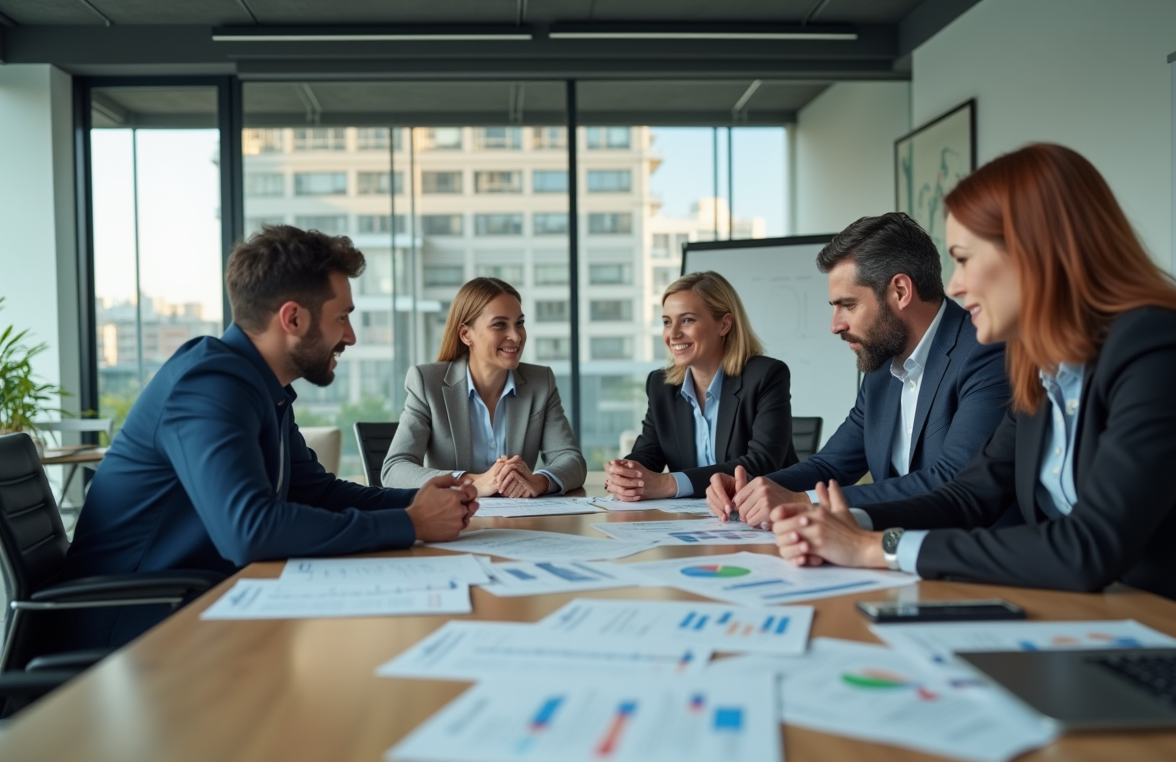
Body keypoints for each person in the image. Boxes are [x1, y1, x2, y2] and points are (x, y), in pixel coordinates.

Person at [771, 143, 1176, 609]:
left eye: (964, 258)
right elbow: (967, 496)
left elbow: (1088, 545)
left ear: (1032, 251)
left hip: (1165, 630)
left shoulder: (1156, 347)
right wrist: (848, 523)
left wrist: (877, 548)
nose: (953, 285)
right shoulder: (1038, 363)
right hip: (1081, 614)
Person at [64, 225, 479, 642]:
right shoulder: (209, 385)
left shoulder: (260, 387)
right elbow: (249, 530)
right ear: (293, 318)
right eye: (342, 318)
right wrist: (410, 522)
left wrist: (425, 503)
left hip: (203, 608)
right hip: (130, 633)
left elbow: (318, 493)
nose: (350, 336)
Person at [707, 212, 1012, 528]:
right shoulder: (882, 368)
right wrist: (755, 486)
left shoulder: (985, 351)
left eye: (848, 305)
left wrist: (802, 501)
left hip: (971, 564)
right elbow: (831, 465)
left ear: (901, 292)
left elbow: (952, 481)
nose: (835, 325)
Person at [381, 277, 586, 496]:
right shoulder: (427, 383)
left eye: (519, 323)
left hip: (521, 523)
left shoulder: (540, 381)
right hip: (455, 522)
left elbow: (571, 460)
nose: (516, 336)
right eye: (499, 324)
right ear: (466, 334)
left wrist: (540, 481)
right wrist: (472, 482)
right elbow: (394, 469)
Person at [604, 271, 797, 500]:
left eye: (687, 320)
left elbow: (761, 464)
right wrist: (627, 473)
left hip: (759, 516)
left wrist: (669, 483)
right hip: (692, 520)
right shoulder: (661, 386)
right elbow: (649, 453)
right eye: (667, 322)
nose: (673, 334)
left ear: (724, 324)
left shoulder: (766, 376)